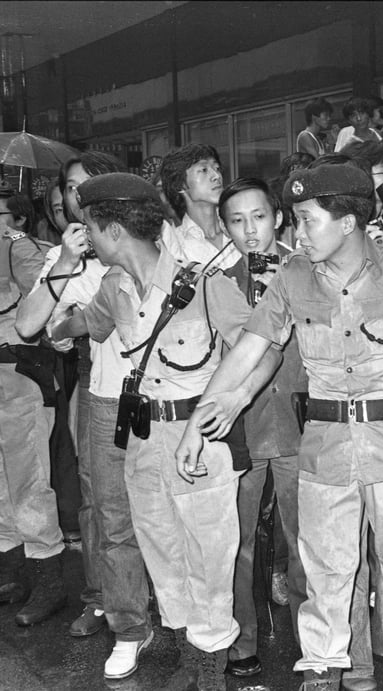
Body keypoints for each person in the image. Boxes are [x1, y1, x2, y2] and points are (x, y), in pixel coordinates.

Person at [174, 162, 383, 691]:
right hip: (324, 450)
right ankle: (327, 678)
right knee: (326, 578)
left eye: (307, 220)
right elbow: (250, 350)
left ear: (347, 222)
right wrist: (204, 415)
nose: (297, 232)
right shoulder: (291, 278)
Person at [51, 172, 270, 690]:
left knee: (210, 562)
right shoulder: (112, 287)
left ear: (113, 230)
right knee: (164, 558)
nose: (90, 239)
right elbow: (75, 326)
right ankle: (189, 659)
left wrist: (233, 399)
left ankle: (210, 670)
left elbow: (265, 344)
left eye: (91, 228)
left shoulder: (203, 283)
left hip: (198, 444)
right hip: (143, 447)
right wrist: (61, 327)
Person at [15, 153, 159, 680]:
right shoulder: (73, 261)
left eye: (87, 188)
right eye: (72, 191)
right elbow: (33, 326)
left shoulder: (163, 247)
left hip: (171, 396)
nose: (78, 200)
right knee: (112, 516)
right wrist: (63, 268)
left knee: (169, 510)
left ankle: (185, 617)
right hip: (106, 399)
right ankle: (128, 624)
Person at [214, 177, 308, 680]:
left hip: (301, 422)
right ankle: (242, 637)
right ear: (223, 227)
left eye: (259, 217)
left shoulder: (311, 268)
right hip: (241, 428)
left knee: (303, 539)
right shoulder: (217, 280)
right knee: (240, 541)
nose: (250, 231)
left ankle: (309, 638)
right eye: (236, 220)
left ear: (278, 216)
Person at [0, 184, 67, 629]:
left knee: (28, 481)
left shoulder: (18, 249)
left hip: (17, 375)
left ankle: (49, 577)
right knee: (2, 487)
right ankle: (13, 573)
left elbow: (49, 299)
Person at [159, 144, 234, 268]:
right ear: (180, 185)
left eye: (217, 168)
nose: (216, 176)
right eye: (204, 170)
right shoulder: (174, 245)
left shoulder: (240, 230)